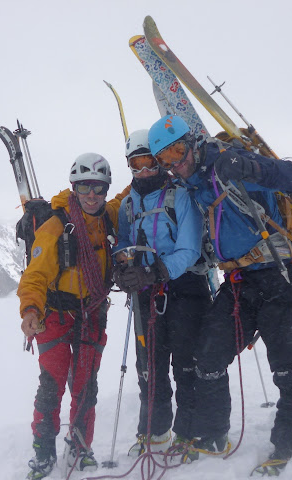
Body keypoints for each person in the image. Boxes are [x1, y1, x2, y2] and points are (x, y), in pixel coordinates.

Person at [148, 115, 292, 473]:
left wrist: (249, 166)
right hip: (239, 282)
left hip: (279, 272)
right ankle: (212, 434)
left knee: (287, 367)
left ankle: (290, 440)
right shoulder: (191, 184)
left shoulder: (229, 160)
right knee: (207, 357)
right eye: (165, 159)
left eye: (177, 151)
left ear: (191, 143)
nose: (174, 163)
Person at [17, 153, 127, 480]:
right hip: (54, 316)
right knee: (51, 387)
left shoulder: (109, 216)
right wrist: (31, 309)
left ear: (106, 189)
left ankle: (81, 445)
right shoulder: (55, 225)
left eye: (98, 188)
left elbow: (128, 196)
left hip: (91, 315)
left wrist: (150, 164)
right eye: (84, 187)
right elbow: (35, 274)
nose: (91, 195)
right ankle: (43, 450)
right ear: (74, 187)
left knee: (85, 387)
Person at [112, 129, 212, 457]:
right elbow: (125, 244)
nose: (143, 172)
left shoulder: (180, 197)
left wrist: (156, 271)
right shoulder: (128, 204)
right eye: (135, 165)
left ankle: (189, 434)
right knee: (150, 367)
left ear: (159, 162)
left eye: (148, 163)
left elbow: (189, 248)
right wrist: (124, 269)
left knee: (186, 365)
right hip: (146, 294)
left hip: (184, 288)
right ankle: (154, 433)